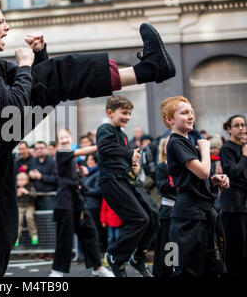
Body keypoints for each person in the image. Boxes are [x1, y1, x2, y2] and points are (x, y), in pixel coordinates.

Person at [0, 0, 175, 276]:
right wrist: (27, 66)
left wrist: (38, 56)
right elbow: (13, 104)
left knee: (1, 229)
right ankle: (148, 69)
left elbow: (36, 84)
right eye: (1, 22)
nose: (7, 27)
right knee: (56, 75)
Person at [161, 96, 229, 277]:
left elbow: (197, 178)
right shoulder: (175, 141)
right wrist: (205, 149)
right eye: (184, 113)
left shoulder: (185, 142)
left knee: (210, 267)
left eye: (191, 112)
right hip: (187, 217)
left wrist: (214, 180)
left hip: (199, 214)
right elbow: (203, 172)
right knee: (186, 270)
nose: (191, 116)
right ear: (169, 120)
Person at [96, 95, 159, 277]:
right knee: (139, 219)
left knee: (153, 215)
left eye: (130, 113)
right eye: (124, 113)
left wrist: (133, 166)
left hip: (127, 179)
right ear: (110, 112)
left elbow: (121, 157)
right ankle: (115, 255)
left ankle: (138, 256)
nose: (128, 117)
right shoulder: (105, 129)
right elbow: (105, 148)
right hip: (111, 181)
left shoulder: (123, 136)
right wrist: (129, 153)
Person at [49, 128, 114, 278]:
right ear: (58, 143)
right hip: (64, 201)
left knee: (89, 232)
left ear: (71, 138)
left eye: (66, 137)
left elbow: (72, 174)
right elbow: (79, 152)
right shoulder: (62, 153)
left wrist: (80, 173)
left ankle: (97, 268)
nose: (64, 140)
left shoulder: (70, 158)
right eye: (61, 138)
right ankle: (56, 271)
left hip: (77, 200)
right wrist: (100, 146)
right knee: (64, 236)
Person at [219, 115, 247, 276]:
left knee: (243, 245)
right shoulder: (227, 148)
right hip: (232, 205)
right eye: (237, 125)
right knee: (235, 245)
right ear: (229, 129)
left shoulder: (244, 147)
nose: (241, 128)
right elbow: (233, 173)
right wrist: (245, 156)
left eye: (243, 125)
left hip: (243, 202)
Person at [152, 135, 176, 277]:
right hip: (169, 211)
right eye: (169, 145)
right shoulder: (162, 166)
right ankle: (167, 273)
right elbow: (163, 188)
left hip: (184, 211)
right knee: (168, 246)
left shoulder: (188, 165)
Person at [28, 141, 58, 211]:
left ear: (46, 149)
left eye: (41, 148)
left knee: (47, 219)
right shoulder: (33, 161)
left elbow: (56, 179)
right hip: (35, 196)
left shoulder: (52, 162)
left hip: (48, 196)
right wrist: (30, 175)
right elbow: (28, 176)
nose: (39, 150)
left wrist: (41, 177)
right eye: (37, 148)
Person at [15, 172, 38, 246]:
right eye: (18, 180)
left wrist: (27, 192)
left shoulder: (30, 186)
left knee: (29, 217)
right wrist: (17, 195)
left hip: (29, 206)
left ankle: (34, 235)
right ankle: (16, 237)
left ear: (27, 180)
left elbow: (35, 195)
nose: (19, 182)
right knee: (19, 220)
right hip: (20, 206)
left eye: (22, 180)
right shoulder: (16, 188)